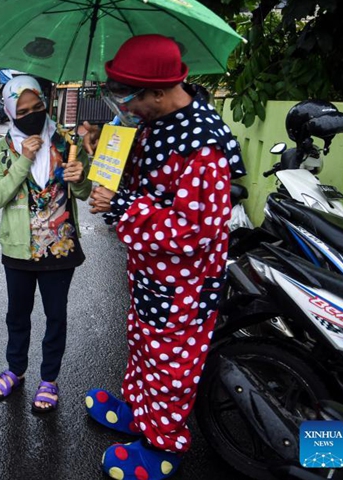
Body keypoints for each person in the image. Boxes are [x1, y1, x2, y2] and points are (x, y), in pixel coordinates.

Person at [81, 35, 246, 479]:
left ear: (157, 92)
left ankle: (163, 445)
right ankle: (138, 409)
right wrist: (103, 152)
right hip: (153, 274)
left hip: (184, 287)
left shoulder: (203, 147)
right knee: (142, 345)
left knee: (171, 363)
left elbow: (194, 230)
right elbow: (146, 183)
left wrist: (120, 208)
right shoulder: (162, 123)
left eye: (131, 97)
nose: (127, 107)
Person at [0, 75, 92, 413]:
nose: (32, 115)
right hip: (18, 248)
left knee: (55, 316)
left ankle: (49, 379)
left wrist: (80, 174)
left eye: (38, 107)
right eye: (23, 110)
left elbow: (84, 192)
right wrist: (24, 160)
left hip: (60, 248)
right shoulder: (3, 150)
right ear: (10, 112)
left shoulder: (65, 141)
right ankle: (15, 370)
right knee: (17, 314)